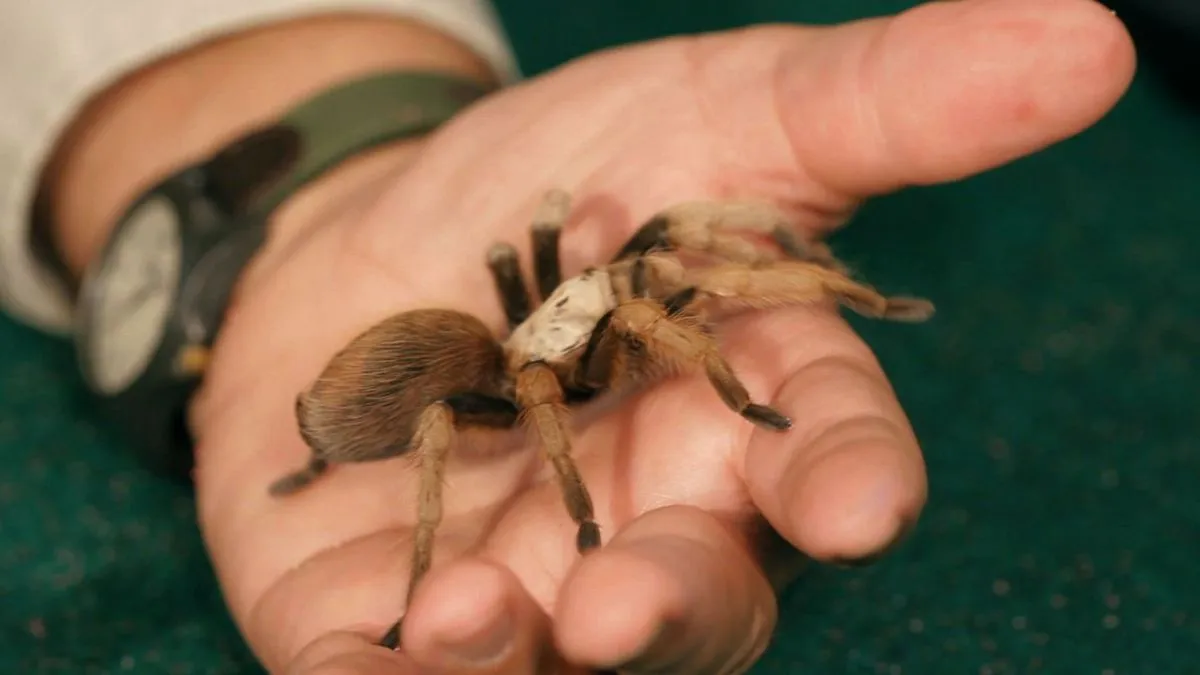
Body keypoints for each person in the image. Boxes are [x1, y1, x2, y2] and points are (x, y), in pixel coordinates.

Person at [0, 0, 1135, 673]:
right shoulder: (564, 342)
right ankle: (371, 491)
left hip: (482, 346)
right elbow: (591, 327)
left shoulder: (574, 288)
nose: (623, 293)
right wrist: (608, 478)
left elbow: (646, 249)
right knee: (606, 318)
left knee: (655, 267)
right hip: (464, 371)